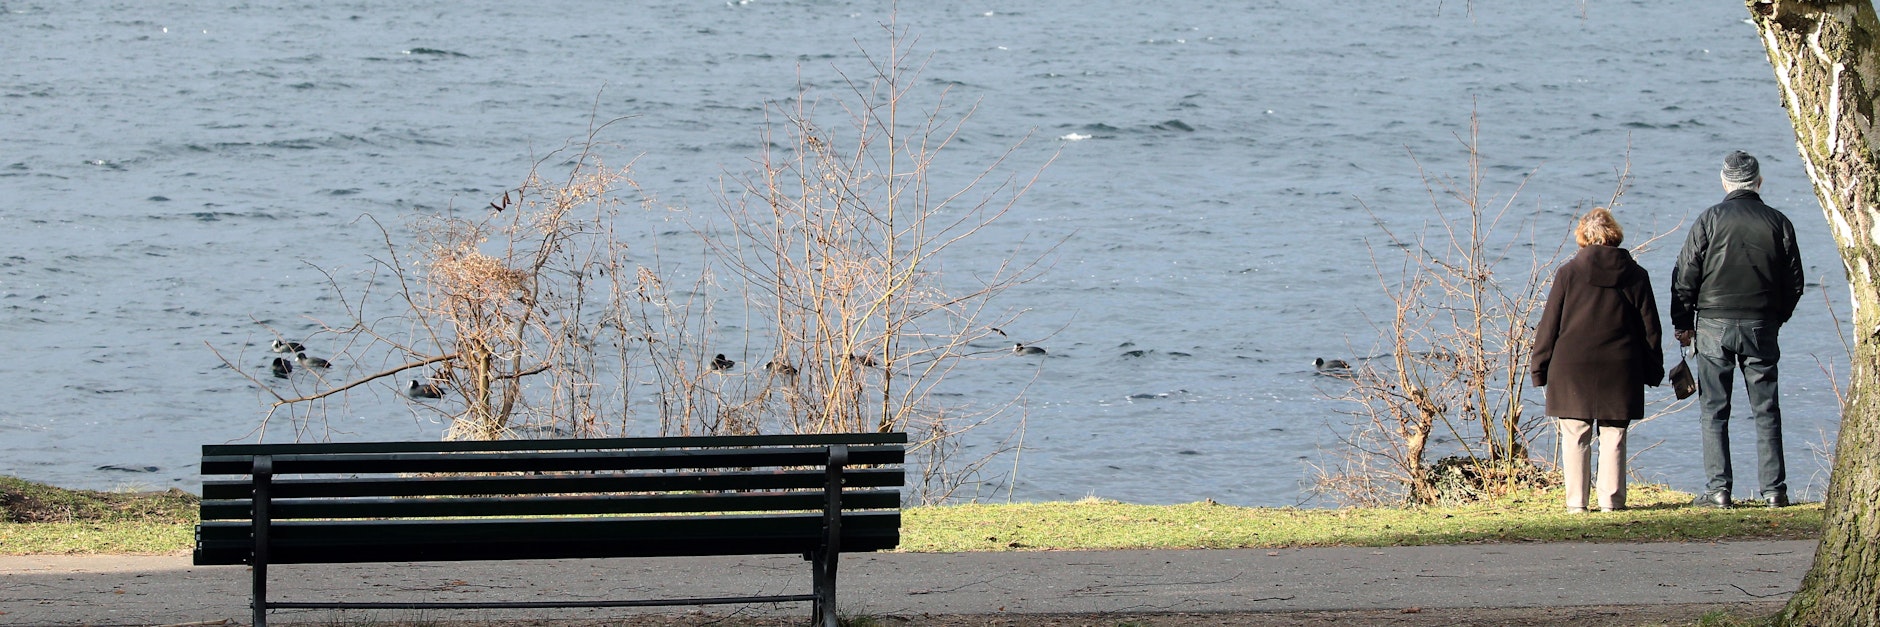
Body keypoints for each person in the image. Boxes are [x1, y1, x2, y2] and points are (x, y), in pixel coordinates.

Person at [1671, 151, 1804, 509]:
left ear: (1724, 182)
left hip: (1714, 324)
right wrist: (1776, 318)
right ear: (1759, 182)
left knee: (1714, 408)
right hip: (1761, 324)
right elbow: (1794, 283)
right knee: (1766, 408)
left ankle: (1718, 490)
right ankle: (1774, 490)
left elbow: (1684, 276)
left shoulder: (1709, 220)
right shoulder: (1778, 222)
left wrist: (1682, 323)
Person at [1531, 207, 1664, 514]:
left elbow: (1549, 325)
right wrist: (1652, 370)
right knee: (1614, 436)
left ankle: (1577, 504)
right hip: (1620, 367)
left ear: (1583, 237)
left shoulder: (1568, 273)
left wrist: (1539, 368)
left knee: (1576, 434)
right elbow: (1650, 329)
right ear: (1614, 235)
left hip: (1571, 368)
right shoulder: (1637, 275)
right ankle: (1611, 503)